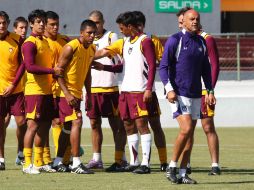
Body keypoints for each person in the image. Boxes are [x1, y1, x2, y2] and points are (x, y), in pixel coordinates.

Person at [93, 11, 156, 174]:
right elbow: (116, 63)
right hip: (125, 91)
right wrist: (100, 64)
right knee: (127, 125)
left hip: (140, 90)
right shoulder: (125, 42)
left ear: (130, 26)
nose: (120, 30)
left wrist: (148, 88)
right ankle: (134, 162)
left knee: (142, 125)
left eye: (122, 27)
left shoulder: (145, 41)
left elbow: (152, 65)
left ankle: (145, 164)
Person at [159, 9, 216, 184]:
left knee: (190, 134)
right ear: (183, 21)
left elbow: (206, 69)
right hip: (178, 93)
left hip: (196, 94)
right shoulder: (175, 40)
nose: (195, 22)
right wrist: (169, 89)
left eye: (197, 19)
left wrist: (210, 90)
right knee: (185, 129)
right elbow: (163, 67)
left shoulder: (201, 41)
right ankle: (172, 167)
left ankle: (183, 173)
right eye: (191, 19)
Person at [177, 7, 221, 176]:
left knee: (208, 126)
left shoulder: (206, 39)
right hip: (187, 90)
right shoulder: (181, 40)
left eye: (183, 21)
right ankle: (185, 164)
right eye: (180, 22)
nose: (182, 25)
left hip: (204, 90)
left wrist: (210, 90)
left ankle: (215, 164)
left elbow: (214, 65)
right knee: (188, 128)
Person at [52, 19, 96, 174]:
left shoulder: (92, 49)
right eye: (89, 33)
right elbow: (58, 72)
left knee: (68, 128)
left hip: (77, 94)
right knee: (77, 121)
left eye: (94, 33)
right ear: (81, 33)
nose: (92, 36)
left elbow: (87, 72)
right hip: (65, 93)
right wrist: (67, 93)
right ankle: (76, 163)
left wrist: (89, 94)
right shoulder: (70, 47)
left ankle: (57, 161)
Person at [85, 10, 127, 172]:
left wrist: (84, 56)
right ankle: (97, 158)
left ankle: (120, 158)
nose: (95, 26)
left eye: (97, 23)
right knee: (94, 123)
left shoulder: (111, 37)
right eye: (92, 23)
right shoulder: (87, 39)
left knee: (117, 125)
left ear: (103, 22)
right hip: (92, 88)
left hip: (110, 88)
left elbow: (108, 54)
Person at [22, 9, 61, 174]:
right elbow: (30, 67)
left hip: (47, 91)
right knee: (32, 126)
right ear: (31, 23)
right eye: (38, 21)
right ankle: (27, 163)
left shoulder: (44, 41)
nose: (42, 24)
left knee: (45, 126)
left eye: (43, 21)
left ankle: (39, 162)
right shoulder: (29, 43)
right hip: (34, 91)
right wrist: (52, 71)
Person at [133, 10, 168, 171]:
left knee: (155, 125)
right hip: (133, 91)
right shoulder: (127, 41)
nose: (137, 28)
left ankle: (163, 161)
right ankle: (137, 161)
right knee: (136, 125)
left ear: (143, 25)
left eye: (140, 25)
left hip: (148, 91)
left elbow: (162, 60)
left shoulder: (151, 40)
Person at [44, 10, 73, 168]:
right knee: (49, 123)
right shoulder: (40, 41)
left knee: (66, 122)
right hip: (46, 89)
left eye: (57, 24)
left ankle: (64, 159)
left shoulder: (65, 41)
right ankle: (48, 159)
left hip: (62, 88)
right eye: (52, 25)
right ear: (45, 25)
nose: (55, 27)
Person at [0, 11, 26, 170]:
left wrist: (13, 84)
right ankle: (1, 158)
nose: (1, 25)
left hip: (16, 91)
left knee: (22, 122)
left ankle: (20, 152)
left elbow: (23, 65)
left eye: (4, 22)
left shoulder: (17, 40)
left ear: (8, 23)